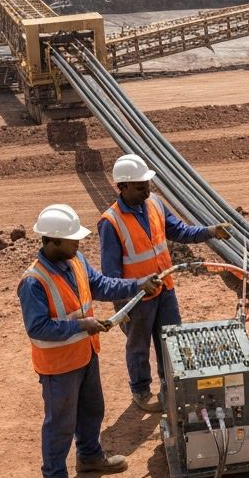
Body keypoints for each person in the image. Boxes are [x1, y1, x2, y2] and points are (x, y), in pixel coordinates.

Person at [18, 203, 163, 478]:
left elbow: (102, 285)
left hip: (85, 355)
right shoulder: (33, 282)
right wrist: (82, 325)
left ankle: (89, 456)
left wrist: (138, 285)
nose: (79, 243)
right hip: (58, 367)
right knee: (60, 422)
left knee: (92, 409)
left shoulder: (76, 261)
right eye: (72, 239)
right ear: (52, 241)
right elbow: (38, 328)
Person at [98, 153, 232, 413]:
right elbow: (111, 272)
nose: (147, 189)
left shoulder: (155, 204)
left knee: (172, 342)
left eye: (148, 184)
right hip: (136, 298)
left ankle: (170, 387)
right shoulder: (111, 222)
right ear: (122, 187)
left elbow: (179, 230)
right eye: (140, 187)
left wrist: (209, 231)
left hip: (165, 290)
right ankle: (141, 390)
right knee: (138, 347)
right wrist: (122, 307)